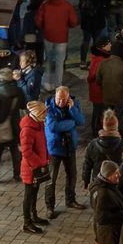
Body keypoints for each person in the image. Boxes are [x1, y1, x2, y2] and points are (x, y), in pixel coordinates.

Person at [45, 85, 87, 215]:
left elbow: (81, 121)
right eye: (59, 98)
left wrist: (72, 109)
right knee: (51, 178)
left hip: (70, 146)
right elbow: (53, 127)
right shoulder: (48, 107)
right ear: (55, 96)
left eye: (64, 99)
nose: (61, 102)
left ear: (68, 98)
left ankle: (70, 200)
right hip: (55, 148)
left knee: (72, 175)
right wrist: (71, 123)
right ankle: (50, 207)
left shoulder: (74, 104)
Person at [0, 67, 27, 183]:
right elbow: (23, 105)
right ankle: (16, 175)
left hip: (0, 127)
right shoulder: (18, 91)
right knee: (15, 150)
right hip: (14, 125)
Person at [36, 0, 80, 87]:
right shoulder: (67, 5)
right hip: (62, 37)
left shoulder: (45, 4)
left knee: (48, 60)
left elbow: (38, 21)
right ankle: (58, 84)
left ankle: (47, 83)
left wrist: (44, 27)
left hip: (48, 36)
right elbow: (74, 22)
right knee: (60, 62)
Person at [20, 99, 52, 235]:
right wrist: (39, 162)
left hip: (37, 166)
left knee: (34, 193)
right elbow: (26, 152)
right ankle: (27, 223)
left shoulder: (39, 124)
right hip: (30, 168)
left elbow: (43, 143)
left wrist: (46, 158)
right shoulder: (28, 130)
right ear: (37, 113)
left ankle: (34, 216)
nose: (46, 115)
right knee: (29, 195)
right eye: (44, 112)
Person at [91, 158, 123, 244]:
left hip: (107, 233)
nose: (119, 175)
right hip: (109, 235)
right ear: (108, 175)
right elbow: (101, 218)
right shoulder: (103, 193)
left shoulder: (104, 186)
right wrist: (122, 214)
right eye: (116, 173)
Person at [98, 39, 123, 131]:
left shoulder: (103, 63)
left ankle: (107, 134)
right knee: (119, 119)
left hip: (107, 97)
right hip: (120, 98)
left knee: (107, 118)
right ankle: (119, 135)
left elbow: (98, 80)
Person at [84, 110, 123, 187]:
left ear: (103, 126)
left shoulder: (93, 144)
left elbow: (87, 164)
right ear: (116, 126)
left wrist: (86, 180)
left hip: (99, 182)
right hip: (117, 182)